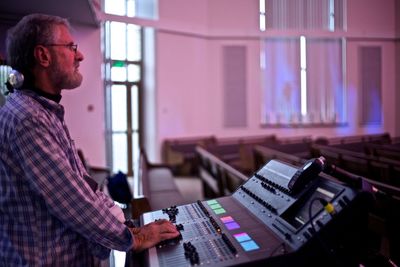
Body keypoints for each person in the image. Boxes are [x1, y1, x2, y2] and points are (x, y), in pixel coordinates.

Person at [0, 13, 179, 266]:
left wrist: (127, 225)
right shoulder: (28, 118)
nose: (80, 55)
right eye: (71, 47)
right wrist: (134, 238)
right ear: (43, 56)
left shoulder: (42, 111)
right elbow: (71, 199)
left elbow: (82, 184)